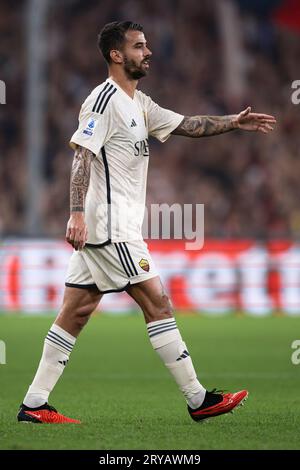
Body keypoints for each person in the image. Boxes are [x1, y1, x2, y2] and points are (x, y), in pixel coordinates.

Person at [17, 21, 276, 424]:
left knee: (76, 312)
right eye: (139, 46)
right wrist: (77, 214)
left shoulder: (139, 103)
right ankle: (198, 399)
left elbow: (187, 124)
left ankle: (34, 404)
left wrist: (232, 122)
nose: (148, 51)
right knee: (158, 303)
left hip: (112, 228)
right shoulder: (102, 103)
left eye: (147, 45)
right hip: (110, 227)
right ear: (117, 55)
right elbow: (81, 156)